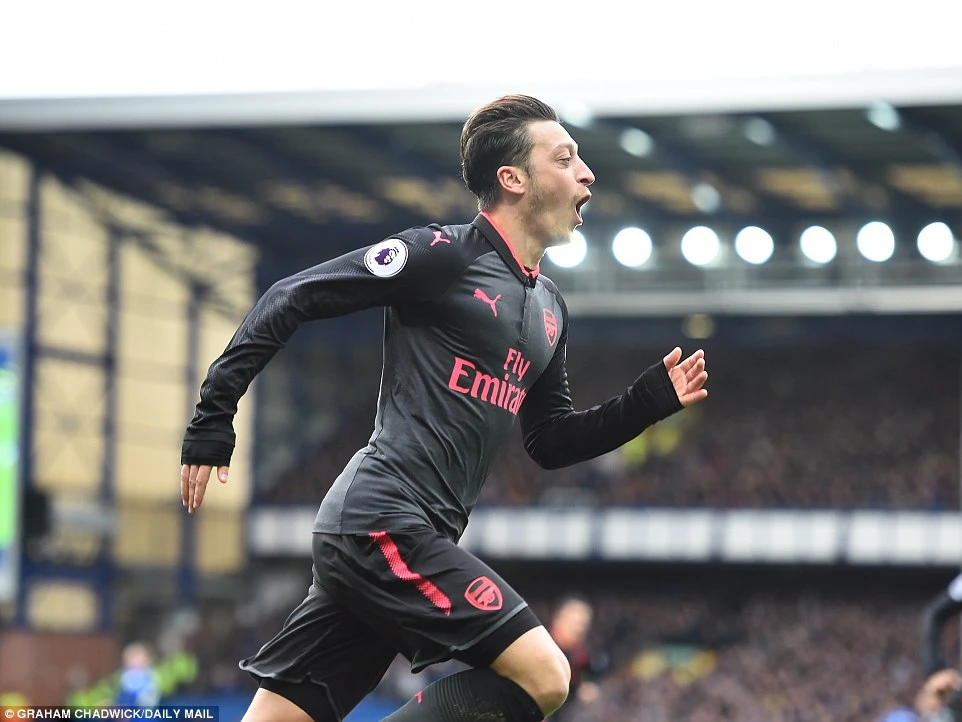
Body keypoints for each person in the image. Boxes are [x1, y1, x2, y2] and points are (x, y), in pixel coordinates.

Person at [180, 94, 709, 722]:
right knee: (546, 675)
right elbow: (291, 296)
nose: (587, 173)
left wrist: (643, 404)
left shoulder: (550, 308)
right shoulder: (442, 255)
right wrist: (212, 419)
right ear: (513, 179)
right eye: (566, 158)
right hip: (381, 521)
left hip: (401, 536)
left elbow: (549, 441)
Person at [546, 595, 605, 720]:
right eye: (575, 623)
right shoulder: (541, 647)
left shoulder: (581, 656)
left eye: (584, 624)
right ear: (558, 619)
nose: (579, 629)